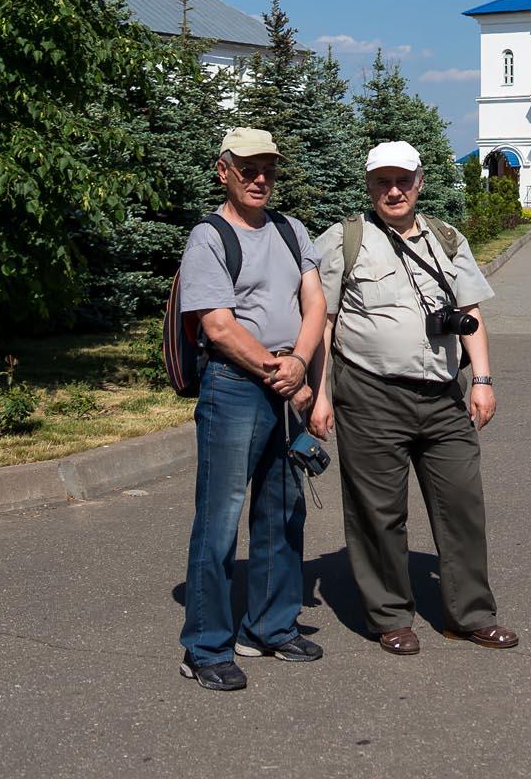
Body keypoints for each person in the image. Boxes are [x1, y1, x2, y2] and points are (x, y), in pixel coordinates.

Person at [310, 141, 519, 656]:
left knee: (462, 504)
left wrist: (483, 379)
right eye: (383, 182)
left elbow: (470, 312)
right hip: (371, 394)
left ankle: (470, 615)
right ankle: (390, 616)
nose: (394, 191)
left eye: (403, 180)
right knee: (378, 512)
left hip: (443, 395)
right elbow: (323, 323)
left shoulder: (446, 238)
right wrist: (319, 395)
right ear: (369, 186)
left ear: (419, 183)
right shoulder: (343, 240)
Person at [177, 127, 328, 692]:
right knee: (219, 521)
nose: (260, 178)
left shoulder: (291, 230)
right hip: (235, 387)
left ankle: (269, 627)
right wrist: (279, 372)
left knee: (283, 511)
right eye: (248, 169)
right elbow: (218, 326)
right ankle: (206, 647)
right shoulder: (209, 238)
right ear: (224, 172)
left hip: (285, 383)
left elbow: (315, 303)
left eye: (268, 168)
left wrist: (301, 364)